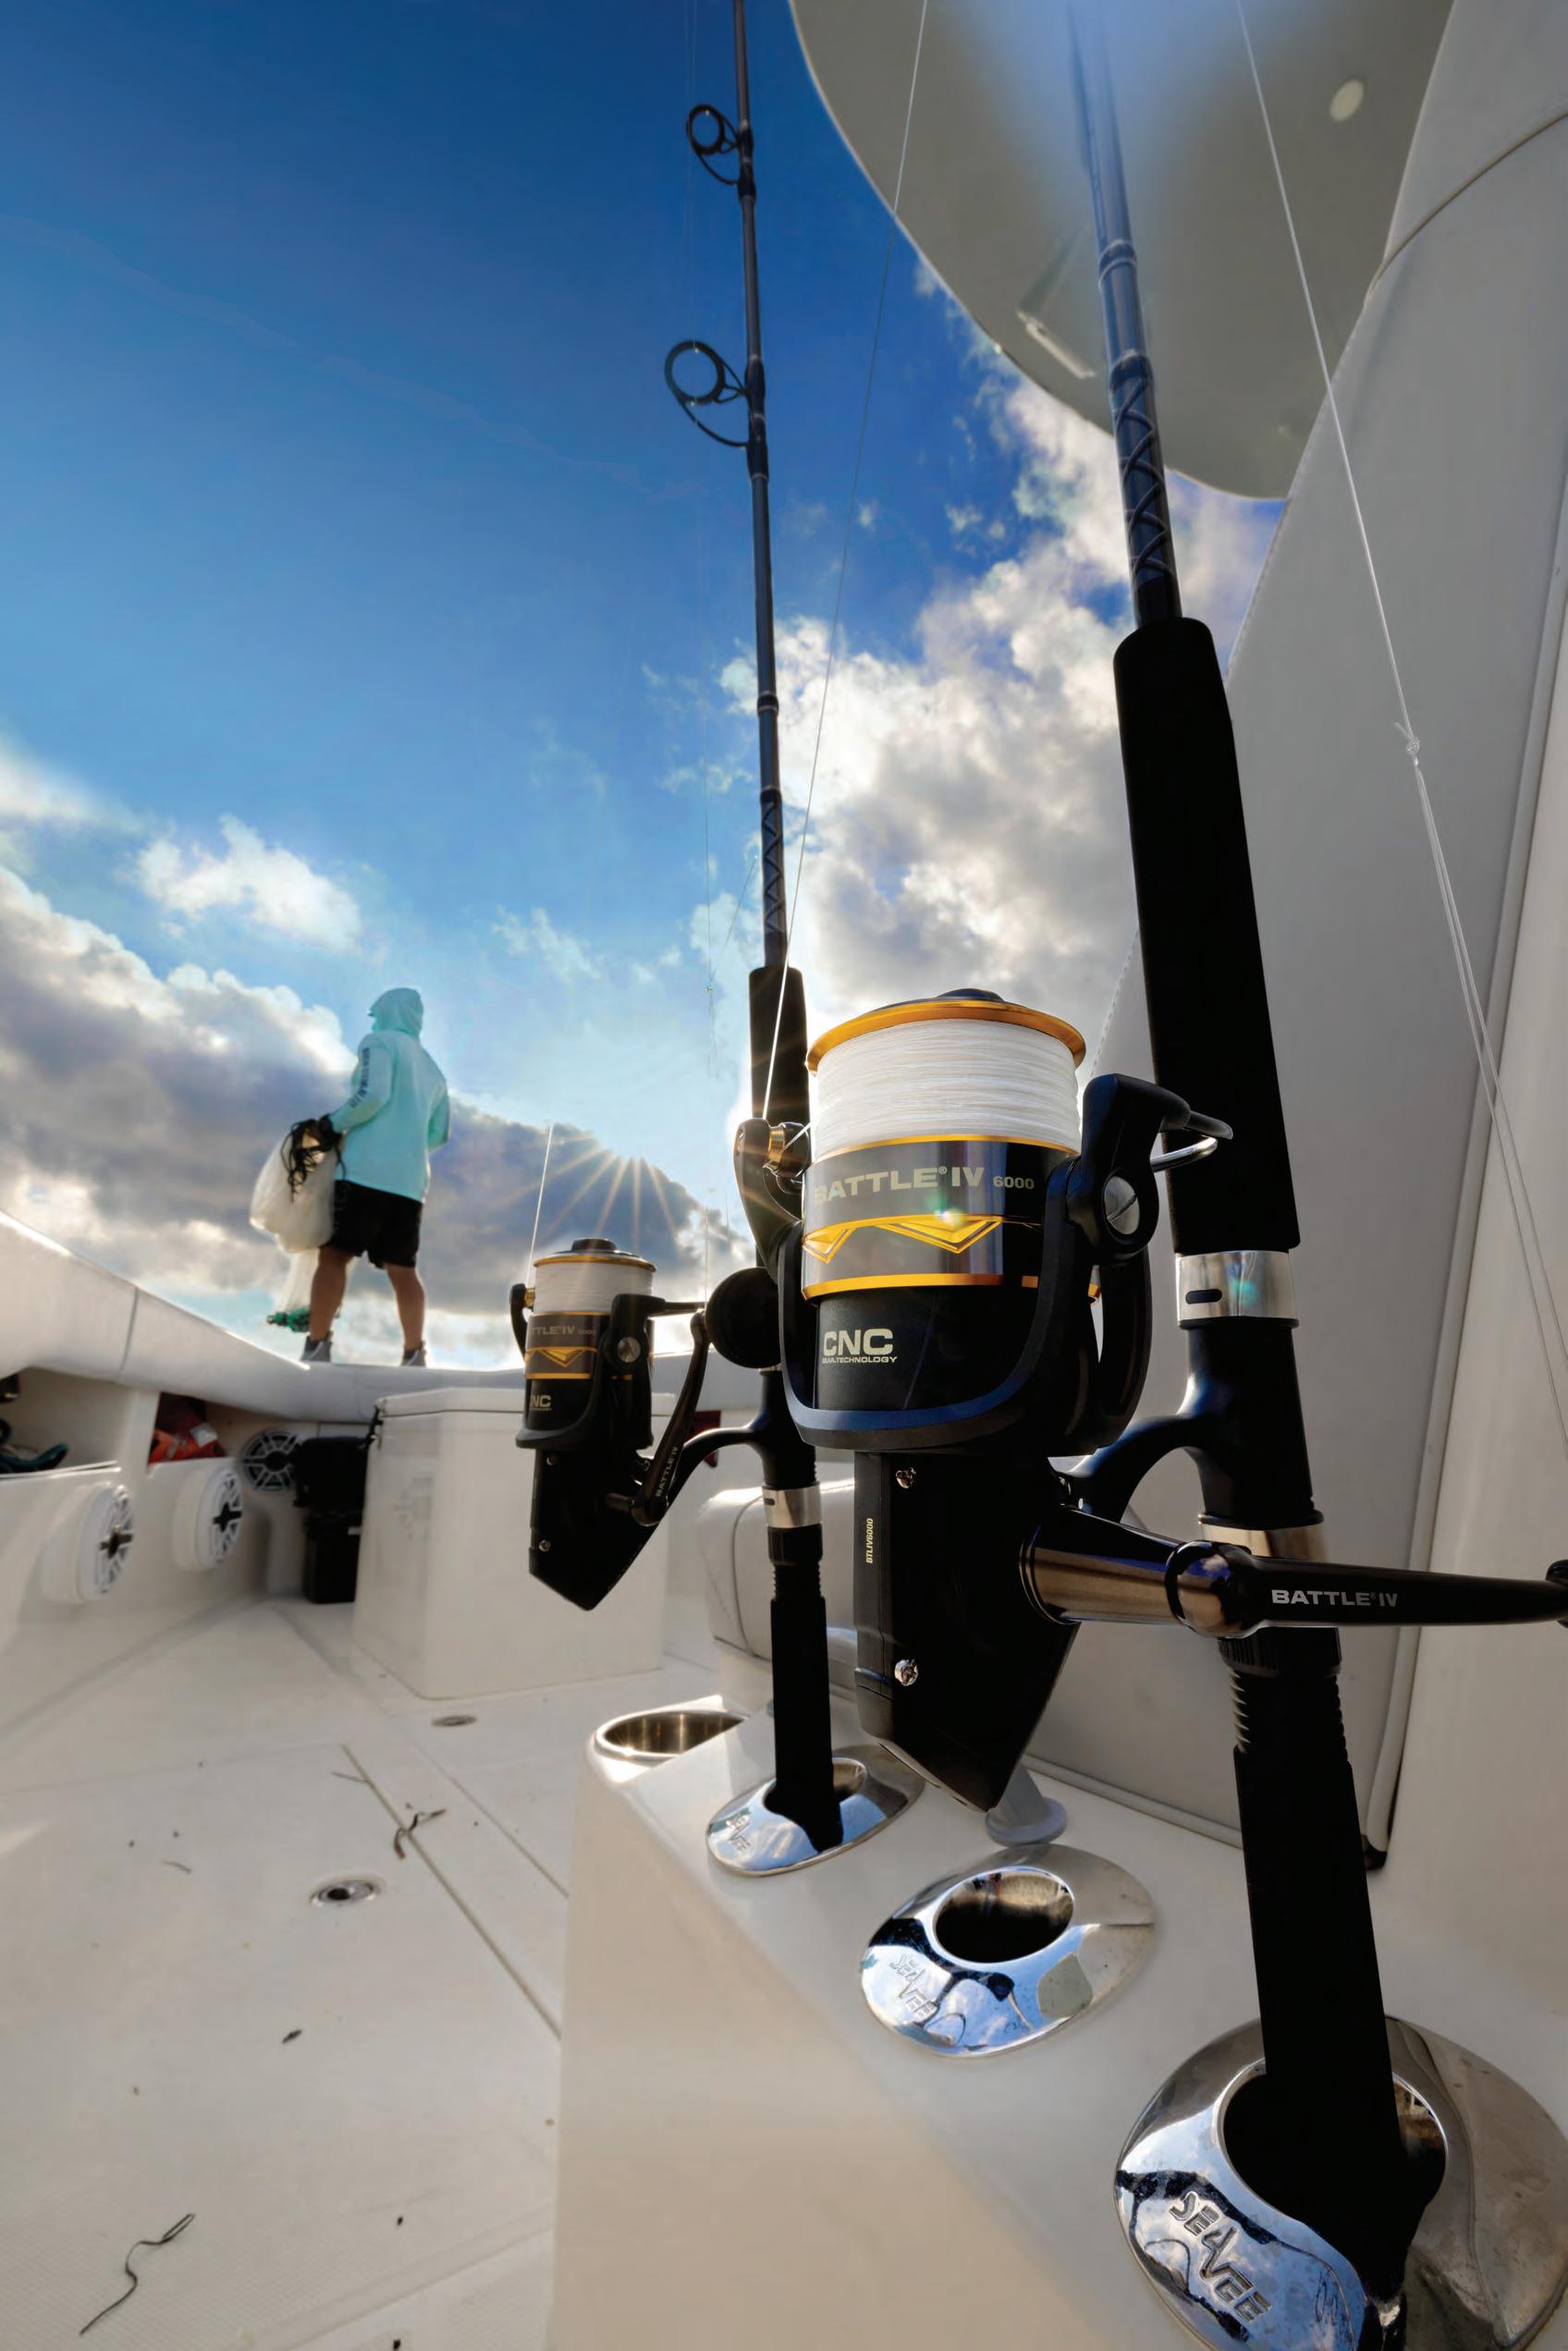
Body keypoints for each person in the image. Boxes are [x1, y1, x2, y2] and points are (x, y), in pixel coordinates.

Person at [301, 987, 449, 1366]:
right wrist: (404, 1143)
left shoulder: (378, 1042)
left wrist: (331, 1124)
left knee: (335, 1256)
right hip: (410, 1183)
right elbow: (438, 1135)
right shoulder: (434, 1070)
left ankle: (317, 1346)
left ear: (385, 1012)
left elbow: (372, 1095)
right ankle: (414, 1354)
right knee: (403, 1269)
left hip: (364, 1171)